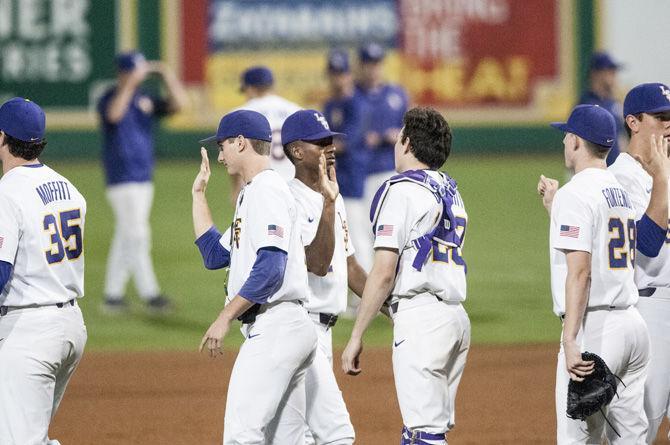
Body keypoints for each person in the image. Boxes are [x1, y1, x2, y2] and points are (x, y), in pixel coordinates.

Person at [537, 103, 668, 443]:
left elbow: (580, 273)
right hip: (633, 329)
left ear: (578, 142)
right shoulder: (622, 190)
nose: (565, 142)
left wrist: (570, 338)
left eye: (567, 136)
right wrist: (556, 209)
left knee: (579, 437)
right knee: (630, 437)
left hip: (595, 330)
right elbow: (599, 238)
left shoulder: (575, 192)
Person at [342, 107, 470, 445]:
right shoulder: (450, 189)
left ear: (407, 143)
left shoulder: (399, 190)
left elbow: (384, 272)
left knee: (422, 435)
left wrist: (356, 335)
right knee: (425, 431)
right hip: (455, 319)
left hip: (423, 321)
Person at [192, 110, 317, 444]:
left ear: (241, 142)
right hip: (287, 327)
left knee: (240, 435)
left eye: (223, 146)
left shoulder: (266, 191)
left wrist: (225, 316)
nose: (219, 156)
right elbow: (214, 256)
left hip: (277, 327)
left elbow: (271, 268)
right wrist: (198, 196)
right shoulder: (254, 193)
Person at [0, 98, 88, 444]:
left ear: (2, 137)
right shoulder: (69, 188)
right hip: (69, 327)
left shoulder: (7, 192)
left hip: (29, 333)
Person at [282, 109, 370, 444]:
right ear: (297, 151)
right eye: (320, 142)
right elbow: (316, 263)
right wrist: (328, 205)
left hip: (323, 331)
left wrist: (396, 308)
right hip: (301, 327)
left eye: (330, 140)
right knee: (336, 434)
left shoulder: (333, 194)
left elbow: (350, 268)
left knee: (302, 435)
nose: (330, 147)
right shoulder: (288, 199)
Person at [98, 50, 188, 313]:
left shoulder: (145, 97)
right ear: (124, 72)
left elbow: (180, 105)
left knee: (127, 234)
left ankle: (112, 296)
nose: (140, 74)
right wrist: (127, 85)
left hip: (142, 175)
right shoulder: (110, 96)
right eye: (135, 70)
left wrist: (166, 74)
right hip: (121, 177)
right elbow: (114, 115)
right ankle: (150, 294)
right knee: (137, 234)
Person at [608, 83, 670, 443]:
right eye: (660, 118)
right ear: (633, 121)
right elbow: (646, 245)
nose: (668, 125)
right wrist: (661, 179)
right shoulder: (620, 179)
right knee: (640, 428)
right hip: (649, 310)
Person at [353, 43, 409, 271]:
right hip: (360, 173)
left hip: (389, 170)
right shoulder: (353, 96)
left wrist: (396, 135)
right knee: (363, 233)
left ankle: (392, 284)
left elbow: (410, 129)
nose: (373, 69)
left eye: (377, 63)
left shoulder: (396, 94)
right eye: (368, 64)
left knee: (390, 231)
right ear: (361, 66)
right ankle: (367, 289)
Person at [228, 65, 302, 201]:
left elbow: (232, 155)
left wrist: (235, 188)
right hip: (295, 189)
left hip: (259, 190)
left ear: (250, 89)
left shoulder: (239, 114)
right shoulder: (297, 111)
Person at [578, 52, 626, 166]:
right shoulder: (585, 104)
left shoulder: (615, 104)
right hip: (593, 173)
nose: (614, 75)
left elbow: (621, 138)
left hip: (615, 172)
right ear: (595, 74)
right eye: (609, 71)